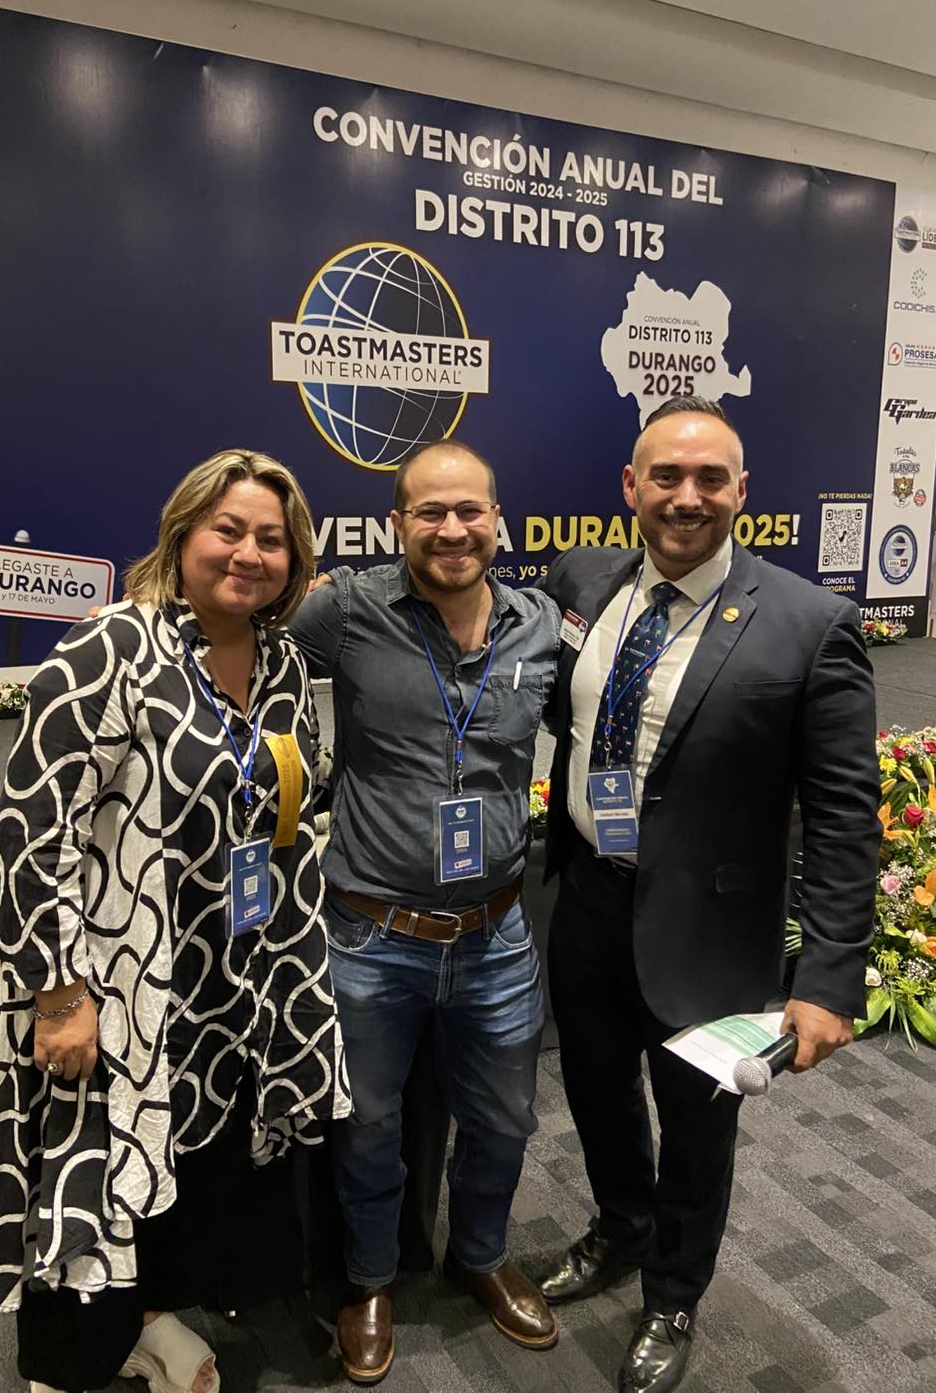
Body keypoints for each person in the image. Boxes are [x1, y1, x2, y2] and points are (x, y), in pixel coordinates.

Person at [0, 450, 351, 1393]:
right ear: (181, 536)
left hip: (227, 984)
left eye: (272, 539)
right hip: (111, 984)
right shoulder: (109, 650)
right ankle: (67, 1368)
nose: (249, 554)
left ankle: (148, 1322)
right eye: (229, 530)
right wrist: (60, 996)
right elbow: (32, 833)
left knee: (179, 1175)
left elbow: (289, 806)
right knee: (89, 1175)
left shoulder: (284, 665)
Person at [536, 396, 880, 1393]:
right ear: (630, 487)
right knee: (596, 1090)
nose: (687, 497)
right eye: (666, 476)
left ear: (741, 492)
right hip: (587, 898)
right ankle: (622, 1226)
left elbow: (845, 817)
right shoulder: (582, 580)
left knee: (695, 1124)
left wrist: (827, 981)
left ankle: (673, 1294)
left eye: (710, 479)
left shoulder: (811, 624)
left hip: (710, 927)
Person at [290, 439, 561, 1383]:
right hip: (371, 935)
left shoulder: (539, 627)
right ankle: (370, 1280)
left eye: (470, 510)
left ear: (499, 520)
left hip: (496, 935)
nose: (452, 529)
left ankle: (480, 1256)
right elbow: (234, 630)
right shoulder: (345, 610)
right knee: (368, 1125)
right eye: (430, 512)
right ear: (397, 522)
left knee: (507, 1120)